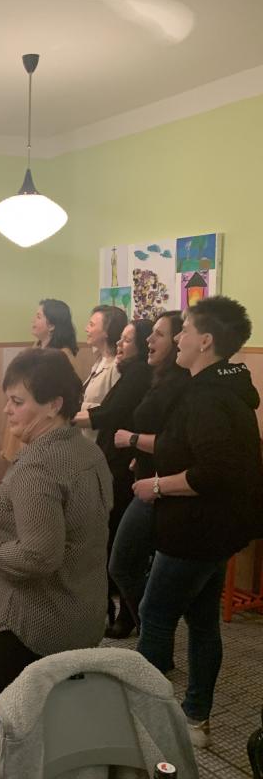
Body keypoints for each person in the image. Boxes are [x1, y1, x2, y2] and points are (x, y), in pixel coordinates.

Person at [133, 296, 263, 749]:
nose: (179, 339)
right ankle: (195, 719)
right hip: (215, 532)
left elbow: (214, 471)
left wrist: (157, 485)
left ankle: (148, 722)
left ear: (205, 341)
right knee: (203, 620)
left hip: (195, 532)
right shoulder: (224, 386)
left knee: (154, 615)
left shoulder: (208, 396)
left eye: (184, 330)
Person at [0, 348, 113, 728]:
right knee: (62, 726)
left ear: (53, 405)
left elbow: (39, 556)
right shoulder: (86, 451)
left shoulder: (38, 465)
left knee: (19, 728)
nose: (7, 410)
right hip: (82, 614)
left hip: (32, 626)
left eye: (18, 401)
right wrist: (6, 511)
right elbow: (75, 520)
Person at [107, 312, 189, 639]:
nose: (149, 340)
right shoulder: (160, 377)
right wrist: (137, 454)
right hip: (146, 477)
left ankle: (150, 625)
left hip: (160, 488)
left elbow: (175, 443)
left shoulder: (181, 384)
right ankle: (145, 623)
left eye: (159, 335)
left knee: (122, 563)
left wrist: (132, 440)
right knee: (131, 562)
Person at [83, 318, 154, 630]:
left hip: (124, 466)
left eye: (127, 340)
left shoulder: (139, 374)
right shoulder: (130, 372)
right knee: (112, 540)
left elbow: (111, 412)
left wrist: (67, 419)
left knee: (119, 545)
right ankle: (119, 611)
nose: (120, 344)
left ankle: (128, 615)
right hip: (113, 459)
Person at [1, 299, 78, 464]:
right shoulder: (35, 349)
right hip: (23, 429)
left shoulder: (63, 356)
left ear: (52, 325)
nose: (33, 320)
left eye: (38, 316)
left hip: (42, 435)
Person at [74, 304, 129, 442]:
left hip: (101, 442)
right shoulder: (100, 361)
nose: (86, 329)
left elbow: (113, 409)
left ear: (107, 331)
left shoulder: (117, 367)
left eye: (92, 325)